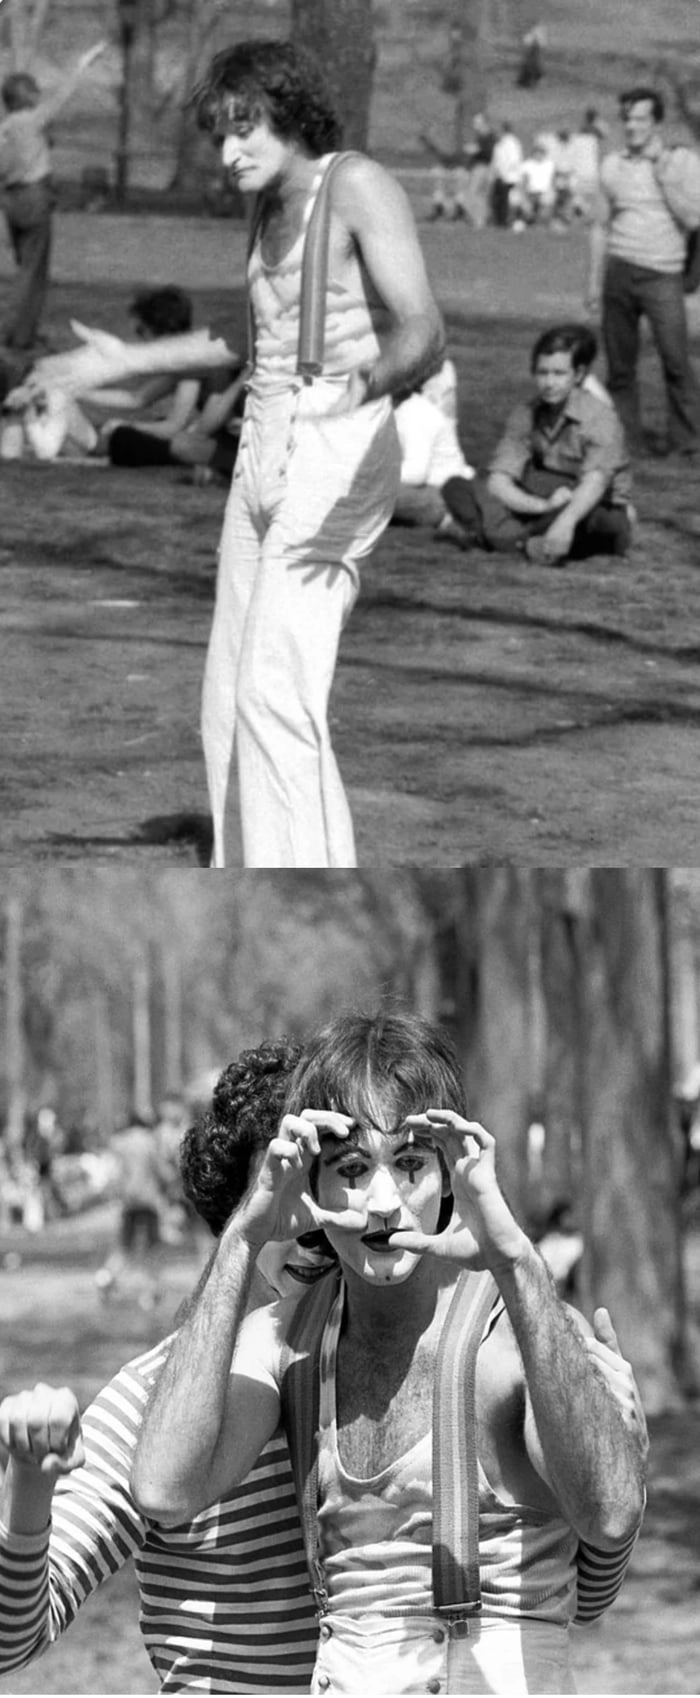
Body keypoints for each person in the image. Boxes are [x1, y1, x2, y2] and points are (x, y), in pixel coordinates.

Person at [0, 1031, 649, 1693]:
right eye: (344, 1172)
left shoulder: (499, 1336)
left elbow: (580, 1570)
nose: (377, 1206)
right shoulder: (196, 1379)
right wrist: (28, 1485)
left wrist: (612, 1435)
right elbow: (147, 1507)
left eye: (407, 1164)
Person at [0, 1039, 328, 1692]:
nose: (309, 1221)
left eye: (334, 1179)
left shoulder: (390, 1366)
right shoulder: (151, 1397)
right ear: (233, 1205)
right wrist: (30, 1484)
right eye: (280, 1188)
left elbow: (576, 1588)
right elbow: (11, 1640)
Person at [192, 39, 445, 869]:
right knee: (227, 696)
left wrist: (365, 384)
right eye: (219, 136)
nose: (228, 154)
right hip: (262, 438)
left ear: (289, 114)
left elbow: (424, 330)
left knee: (275, 685)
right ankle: (250, 864)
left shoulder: (357, 184)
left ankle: (299, 871)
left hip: (337, 437)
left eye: (244, 131)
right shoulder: (262, 201)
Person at [441, 322, 633, 565]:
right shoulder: (526, 413)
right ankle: (525, 543)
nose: (549, 383)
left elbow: (596, 481)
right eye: (543, 373)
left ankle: (496, 537)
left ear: (579, 375)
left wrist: (565, 521)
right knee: (459, 487)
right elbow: (500, 480)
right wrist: (542, 506)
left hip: (585, 500)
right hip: (541, 496)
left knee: (606, 522)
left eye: (559, 374)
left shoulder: (600, 418)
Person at [587, 85, 700, 457]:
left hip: (663, 273)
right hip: (619, 270)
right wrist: (593, 282)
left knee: (676, 362)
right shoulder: (611, 165)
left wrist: (664, 174)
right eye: (628, 118)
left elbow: (695, 218)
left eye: (640, 119)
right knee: (620, 367)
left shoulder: (681, 162)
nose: (632, 126)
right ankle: (627, 442)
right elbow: (600, 227)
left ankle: (686, 443)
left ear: (656, 122)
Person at [0, 43, 106, 351]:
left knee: (25, 265)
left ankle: (24, 331)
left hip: (11, 201)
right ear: (29, 98)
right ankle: (17, 336)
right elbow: (63, 94)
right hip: (34, 198)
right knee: (33, 271)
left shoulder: (4, 128)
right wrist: (83, 61)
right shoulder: (31, 120)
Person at [391, 357, 475, 530]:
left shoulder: (414, 412)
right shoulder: (400, 411)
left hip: (442, 493)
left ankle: (446, 519)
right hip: (433, 489)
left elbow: (416, 473)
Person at [489, 120, 524, 228]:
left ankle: (505, 222)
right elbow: (496, 161)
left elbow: (513, 161)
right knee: (498, 200)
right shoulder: (501, 143)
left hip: (508, 178)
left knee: (506, 202)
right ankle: (499, 222)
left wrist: (504, 174)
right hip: (500, 176)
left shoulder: (511, 143)